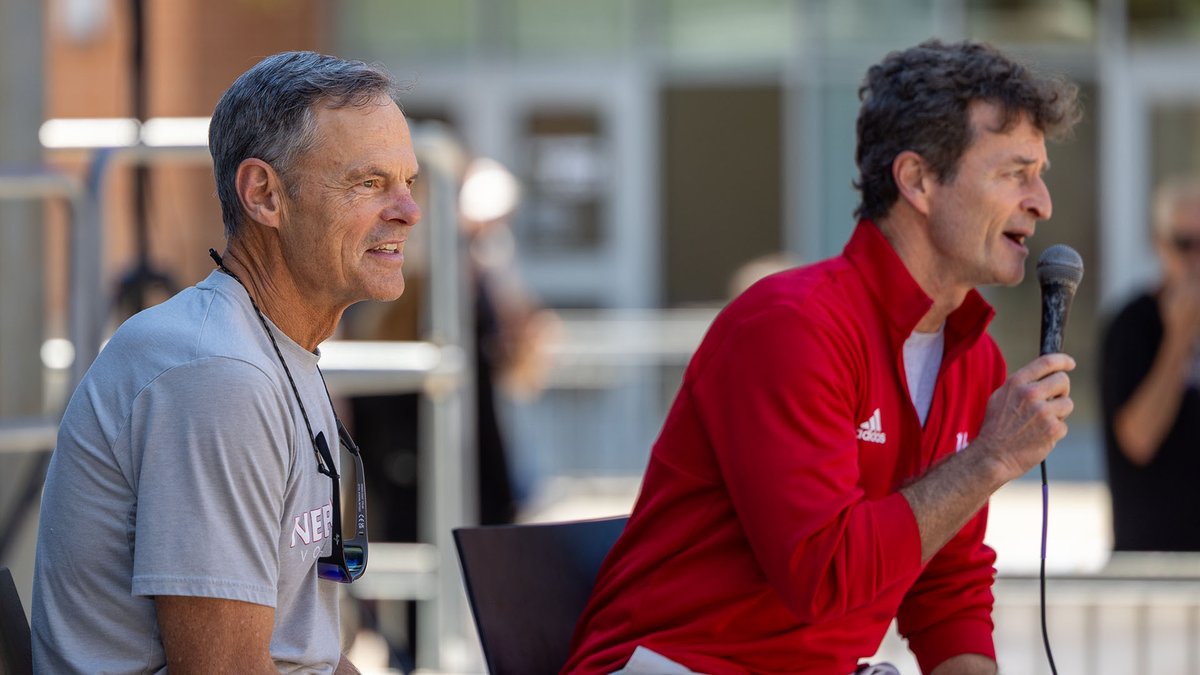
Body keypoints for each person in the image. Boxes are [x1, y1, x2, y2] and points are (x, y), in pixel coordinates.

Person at [563, 39, 1081, 675]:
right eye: (1014, 173)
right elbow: (824, 576)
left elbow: (947, 592)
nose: (1042, 202)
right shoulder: (791, 326)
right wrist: (992, 458)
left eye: (1040, 174)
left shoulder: (975, 361)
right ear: (917, 180)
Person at [31, 50, 421, 673]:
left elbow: (307, 655)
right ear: (264, 194)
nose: (408, 210)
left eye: (409, 182)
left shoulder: (272, 346)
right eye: (369, 183)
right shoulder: (217, 375)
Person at [1102, 176, 1200, 551]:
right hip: (1154, 562)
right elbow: (1138, 439)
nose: (1195, 259)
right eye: (1184, 244)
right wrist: (1178, 340)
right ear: (1161, 245)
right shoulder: (1132, 324)